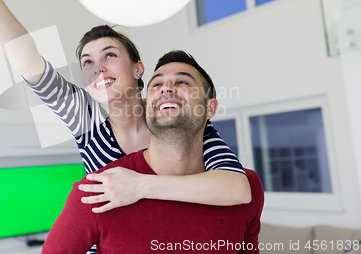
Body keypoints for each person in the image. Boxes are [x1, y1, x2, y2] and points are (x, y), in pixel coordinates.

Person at [0, 0, 251, 253]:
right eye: (88, 63)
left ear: (139, 69)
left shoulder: (173, 120)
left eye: (110, 55)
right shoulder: (86, 119)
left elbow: (237, 189)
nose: (99, 68)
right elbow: (27, 60)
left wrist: (140, 186)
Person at [42, 51, 265, 254]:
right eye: (156, 85)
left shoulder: (248, 186)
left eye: (182, 82)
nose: (166, 88)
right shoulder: (101, 189)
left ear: (210, 108)